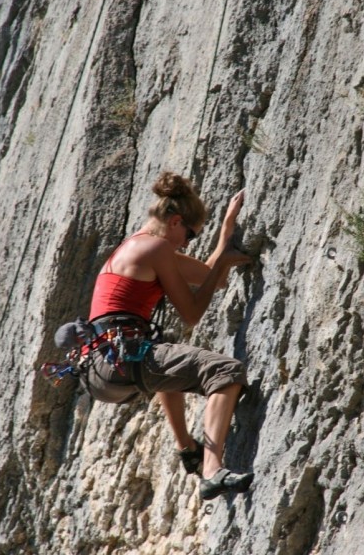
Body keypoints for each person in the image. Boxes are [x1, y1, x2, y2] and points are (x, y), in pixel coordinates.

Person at [83, 171, 254, 500]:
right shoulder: (157, 249)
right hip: (123, 357)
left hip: (103, 369)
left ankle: (187, 447)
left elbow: (210, 278)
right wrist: (222, 266)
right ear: (176, 222)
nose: (187, 244)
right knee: (224, 370)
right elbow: (191, 312)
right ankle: (211, 469)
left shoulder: (137, 246)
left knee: (164, 358)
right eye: (190, 235)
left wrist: (227, 228)